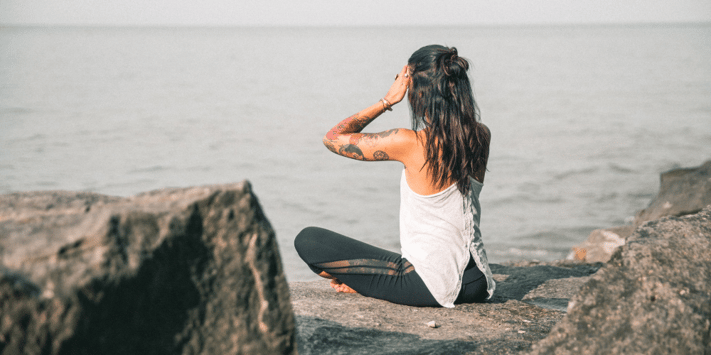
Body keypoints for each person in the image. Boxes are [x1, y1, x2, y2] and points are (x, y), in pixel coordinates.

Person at [294, 44, 495, 308]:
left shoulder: (409, 142)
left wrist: (386, 101)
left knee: (308, 240)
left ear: (417, 91)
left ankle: (369, 286)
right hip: (479, 282)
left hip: (433, 286)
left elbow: (333, 138)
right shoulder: (481, 135)